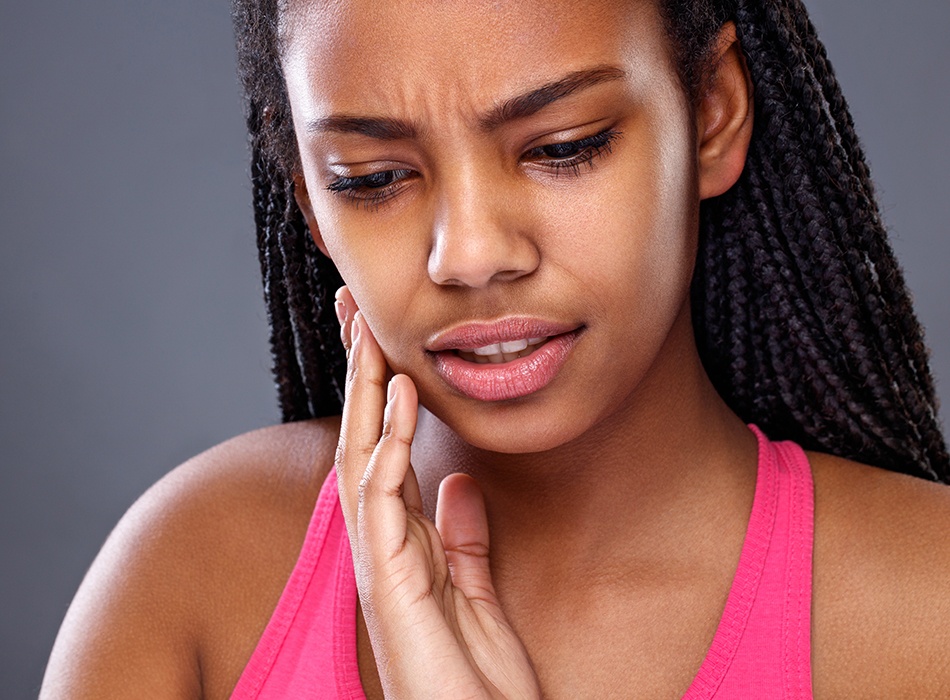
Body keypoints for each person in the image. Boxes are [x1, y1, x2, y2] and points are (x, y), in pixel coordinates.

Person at [41, 0, 950, 697]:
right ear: (311, 204)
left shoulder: (927, 616)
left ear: (711, 113)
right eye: (376, 178)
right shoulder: (192, 580)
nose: (469, 255)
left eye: (563, 146)